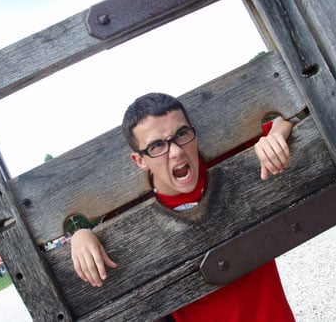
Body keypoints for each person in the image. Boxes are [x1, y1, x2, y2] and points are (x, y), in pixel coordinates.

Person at [71, 93, 295, 321]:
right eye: (157, 145)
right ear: (140, 160)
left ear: (193, 133)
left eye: (182, 134)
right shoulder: (127, 215)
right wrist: (80, 235)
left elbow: (285, 119)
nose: (176, 151)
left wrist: (275, 136)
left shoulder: (229, 162)